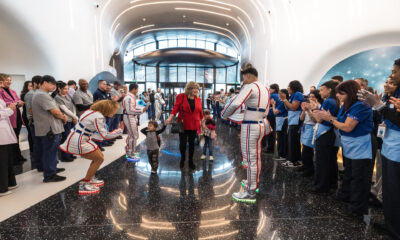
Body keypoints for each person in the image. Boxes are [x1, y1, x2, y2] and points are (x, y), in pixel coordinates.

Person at [317, 80, 374, 219]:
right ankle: (346, 196)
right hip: (350, 143)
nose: (338, 97)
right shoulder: (347, 105)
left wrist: (329, 119)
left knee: (359, 177)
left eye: (341, 94)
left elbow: (348, 126)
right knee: (349, 173)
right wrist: (329, 117)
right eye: (337, 93)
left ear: (350, 93)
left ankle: (357, 209)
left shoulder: (361, 106)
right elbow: (340, 122)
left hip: (361, 143)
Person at [358, 60, 400, 238]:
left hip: (397, 147)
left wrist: (379, 106)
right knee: (389, 190)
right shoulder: (393, 93)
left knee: (395, 190)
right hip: (389, 144)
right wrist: (377, 104)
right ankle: (391, 225)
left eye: (395, 72)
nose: (391, 75)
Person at [221, 63, 270, 203]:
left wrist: (224, 114)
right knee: (256, 157)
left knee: (250, 159)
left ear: (248, 76)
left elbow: (235, 103)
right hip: (260, 124)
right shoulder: (264, 88)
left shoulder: (250, 87)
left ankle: (250, 191)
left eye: (244, 78)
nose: (243, 81)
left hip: (250, 126)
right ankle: (252, 182)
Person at [59, 100, 123, 195]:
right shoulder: (99, 117)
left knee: (99, 157)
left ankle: (90, 178)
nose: (114, 112)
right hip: (79, 140)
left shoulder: (90, 112)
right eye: (113, 110)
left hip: (79, 137)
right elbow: (105, 135)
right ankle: (85, 183)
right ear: (107, 109)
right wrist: (119, 131)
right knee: (99, 159)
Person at [32, 75, 68, 182]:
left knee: (51, 151)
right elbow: (54, 111)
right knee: (49, 151)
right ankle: (49, 175)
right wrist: (63, 117)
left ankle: (51, 168)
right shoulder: (41, 95)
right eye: (52, 84)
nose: (54, 87)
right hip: (49, 129)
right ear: (45, 83)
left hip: (50, 128)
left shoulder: (43, 94)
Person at [166, 81, 204, 171]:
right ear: (189, 89)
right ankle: (183, 158)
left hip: (194, 124)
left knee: (192, 144)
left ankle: (190, 160)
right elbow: (175, 109)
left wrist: (203, 122)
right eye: (194, 88)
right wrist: (169, 118)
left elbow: (200, 111)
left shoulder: (198, 99)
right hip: (183, 124)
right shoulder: (181, 96)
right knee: (182, 144)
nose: (196, 90)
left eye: (197, 89)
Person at [310, 80, 340, 193]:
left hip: (325, 133)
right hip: (332, 133)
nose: (320, 92)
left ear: (329, 90)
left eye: (322, 89)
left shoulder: (328, 102)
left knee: (321, 161)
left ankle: (320, 186)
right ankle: (331, 183)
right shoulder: (335, 102)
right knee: (330, 160)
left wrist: (313, 109)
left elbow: (318, 119)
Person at [0, 74, 26, 164]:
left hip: (17, 115)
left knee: (16, 137)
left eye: (10, 80)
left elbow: (16, 100)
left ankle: (18, 156)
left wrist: (19, 103)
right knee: (12, 138)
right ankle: (14, 158)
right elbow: (4, 103)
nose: (9, 82)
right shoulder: (1, 91)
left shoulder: (13, 91)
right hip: (9, 117)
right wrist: (15, 103)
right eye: (6, 80)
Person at [0, 76, 18, 197]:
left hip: (4, 130)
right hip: (1, 132)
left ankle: (11, 182)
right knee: (2, 161)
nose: (2, 85)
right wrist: (10, 109)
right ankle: (2, 188)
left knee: (7, 159)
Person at [299, 90, 322, 177]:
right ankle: (305, 166)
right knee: (304, 149)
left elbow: (315, 120)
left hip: (312, 128)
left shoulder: (318, 107)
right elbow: (301, 119)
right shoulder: (307, 105)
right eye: (310, 97)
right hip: (305, 128)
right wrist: (304, 110)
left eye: (313, 97)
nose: (311, 98)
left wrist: (309, 110)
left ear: (317, 98)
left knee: (307, 150)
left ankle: (309, 169)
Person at [281, 80, 304, 168]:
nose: (287, 88)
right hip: (292, 120)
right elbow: (288, 107)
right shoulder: (292, 96)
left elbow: (294, 107)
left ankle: (294, 161)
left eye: (289, 86)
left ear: (293, 87)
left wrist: (285, 99)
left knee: (293, 141)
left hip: (296, 120)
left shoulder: (298, 94)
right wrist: (285, 100)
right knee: (291, 141)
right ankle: (292, 159)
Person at [53, 81, 78, 162]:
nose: (66, 90)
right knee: (65, 138)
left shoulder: (68, 96)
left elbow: (73, 106)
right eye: (64, 89)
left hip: (72, 119)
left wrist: (74, 117)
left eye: (67, 89)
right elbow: (65, 110)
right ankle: (65, 156)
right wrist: (75, 117)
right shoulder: (57, 98)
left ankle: (70, 154)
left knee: (71, 138)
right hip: (66, 121)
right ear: (59, 89)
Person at [123, 83, 148, 160]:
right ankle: (130, 153)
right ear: (134, 89)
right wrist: (141, 110)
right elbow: (129, 110)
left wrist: (140, 110)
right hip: (129, 117)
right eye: (137, 89)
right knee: (134, 136)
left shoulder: (130, 97)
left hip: (131, 117)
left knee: (132, 135)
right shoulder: (129, 98)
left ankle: (130, 151)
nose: (137, 91)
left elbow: (132, 108)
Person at [24, 76, 42, 166]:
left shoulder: (39, 93)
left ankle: (43, 163)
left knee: (41, 144)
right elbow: (30, 110)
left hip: (40, 122)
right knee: (38, 144)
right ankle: (39, 164)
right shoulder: (30, 94)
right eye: (41, 83)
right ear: (35, 83)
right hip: (35, 123)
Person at [272, 89, 289, 161]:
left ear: (285, 94)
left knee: (281, 138)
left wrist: (273, 105)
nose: (279, 95)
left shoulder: (283, 103)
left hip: (282, 121)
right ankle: (281, 154)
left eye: (281, 93)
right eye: (279, 93)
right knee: (280, 137)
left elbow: (275, 112)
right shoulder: (283, 102)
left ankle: (282, 155)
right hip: (281, 121)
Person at [265, 84, 279, 154]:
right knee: (273, 131)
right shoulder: (278, 95)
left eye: (270, 89)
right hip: (275, 115)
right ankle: (271, 147)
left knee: (270, 131)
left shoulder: (272, 96)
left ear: (273, 89)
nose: (269, 90)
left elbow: (265, 103)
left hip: (271, 114)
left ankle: (270, 148)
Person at [20, 80, 33, 156]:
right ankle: (32, 149)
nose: (32, 87)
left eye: (32, 86)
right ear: (26, 87)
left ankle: (33, 149)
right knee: (30, 133)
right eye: (30, 86)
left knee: (32, 133)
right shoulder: (24, 95)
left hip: (30, 115)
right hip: (27, 115)